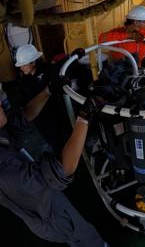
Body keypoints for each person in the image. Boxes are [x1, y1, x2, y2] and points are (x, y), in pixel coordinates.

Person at [0, 85, 107, 246]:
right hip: (52, 217)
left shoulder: (2, 133)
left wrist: (49, 89)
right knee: (86, 237)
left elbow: (22, 117)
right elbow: (63, 169)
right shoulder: (5, 170)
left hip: (44, 196)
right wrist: (84, 118)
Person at [15, 43, 72, 153]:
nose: (21, 68)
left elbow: (60, 67)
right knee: (54, 144)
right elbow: (23, 104)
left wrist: (71, 57)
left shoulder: (47, 70)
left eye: (23, 64)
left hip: (57, 114)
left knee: (66, 139)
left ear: (33, 61)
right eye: (20, 65)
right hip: (41, 121)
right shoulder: (24, 81)